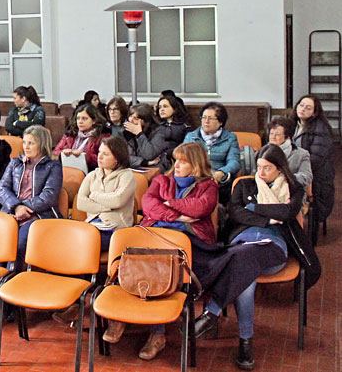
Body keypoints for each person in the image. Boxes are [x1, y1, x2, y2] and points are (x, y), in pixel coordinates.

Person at [192, 144, 320, 370]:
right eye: (259, 167)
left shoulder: (293, 188)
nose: (260, 173)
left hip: (274, 247)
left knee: (241, 260)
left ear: (280, 169)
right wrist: (268, 217)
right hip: (243, 243)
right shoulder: (244, 184)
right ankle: (245, 343)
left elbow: (288, 213)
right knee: (245, 276)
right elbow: (236, 212)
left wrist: (254, 207)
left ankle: (212, 312)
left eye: (267, 169)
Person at [116, 142, 219, 360]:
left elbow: (201, 207)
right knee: (129, 259)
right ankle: (123, 316)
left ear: (196, 164)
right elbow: (148, 203)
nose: (178, 165)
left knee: (159, 268)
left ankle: (157, 333)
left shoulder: (208, 185)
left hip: (188, 241)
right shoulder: (163, 179)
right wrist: (177, 214)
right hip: (155, 234)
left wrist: (169, 202)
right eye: (177, 160)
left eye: (184, 161)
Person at [0, 125, 62, 275]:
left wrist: (24, 208)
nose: (26, 146)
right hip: (12, 210)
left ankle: (11, 279)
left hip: (37, 215)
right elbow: (2, 189)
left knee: (19, 244)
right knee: (0, 240)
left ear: (42, 143)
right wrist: (16, 207)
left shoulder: (53, 166)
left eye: (31, 143)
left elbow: (49, 196)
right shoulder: (15, 163)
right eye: (24, 142)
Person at [75, 136, 136, 253]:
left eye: (106, 154)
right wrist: (107, 207)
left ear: (117, 158)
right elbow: (81, 203)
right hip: (92, 226)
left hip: (116, 230)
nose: (100, 157)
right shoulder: (92, 175)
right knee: (69, 239)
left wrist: (94, 195)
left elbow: (118, 200)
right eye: (99, 152)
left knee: (84, 244)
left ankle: (81, 271)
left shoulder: (126, 176)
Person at [183, 102, 241, 203]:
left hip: (218, 180)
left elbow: (234, 162)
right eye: (204, 117)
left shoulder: (230, 138)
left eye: (210, 118)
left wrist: (221, 172)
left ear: (220, 122)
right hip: (195, 178)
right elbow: (184, 158)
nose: (206, 121)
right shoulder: (191, 137)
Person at [291, 94, 334, 223]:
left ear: (314, 113)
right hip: (295, 170)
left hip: (315, 176)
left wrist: (292, 171)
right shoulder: (292, 124)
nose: (303, 109)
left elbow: (315, 159)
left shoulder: (321, 129)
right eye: (301, 105)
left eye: (308, 108)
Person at [52, 103, 107, 170]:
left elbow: (104, 159)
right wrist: (62, 154)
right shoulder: (70, 133)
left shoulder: (102, 136)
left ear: (94, 121)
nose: (80, 122)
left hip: (91, 173)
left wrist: (85, 156)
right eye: (78, 118)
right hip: (67, 171)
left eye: (84, 119)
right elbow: (55, 153)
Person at [266, 116, 312, 195]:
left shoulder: (301, 154)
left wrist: (284, 178)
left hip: (292, 194)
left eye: (277, 134)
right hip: (266, 192)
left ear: (287, 137)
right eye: (271, 133)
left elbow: (307, 176)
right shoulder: (263, 152)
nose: (273, 137)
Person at [122, 104, 169, 169]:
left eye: (136, 118)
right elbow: (123, 157)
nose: (131, 120)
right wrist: (144, 162)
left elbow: (149, 155)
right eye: (130, 116)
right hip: (133, 167)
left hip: (154, 168)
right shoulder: (125, 132)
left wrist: (139, 134)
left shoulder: (158, 131)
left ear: (146, 121)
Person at [154, 93, 191, 169]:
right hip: (158, 160)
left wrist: (169, 153)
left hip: (178, 160)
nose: (162, 109)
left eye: (165, 106)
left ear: (174, 108)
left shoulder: (185, 126)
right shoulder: (156, 126)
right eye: (160, 107)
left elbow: (187, 146)